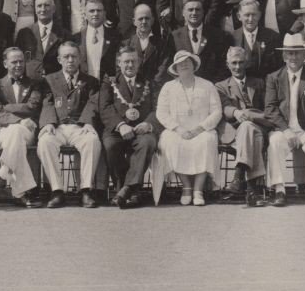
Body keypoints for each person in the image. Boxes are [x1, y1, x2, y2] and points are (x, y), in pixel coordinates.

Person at [263, 34, 305, 207]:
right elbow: (270, 108)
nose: (293, 57)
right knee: (274, 143)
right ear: (284, 56)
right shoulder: (274, 78)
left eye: (297, 53)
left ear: (304, 54)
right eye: (289, 53)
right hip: (285, 131)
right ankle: (279, 191)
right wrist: (285, 130)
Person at [37, 42, 102, 208]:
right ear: (59, 59)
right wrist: (48, 122)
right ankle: (57, 191)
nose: (70, 60)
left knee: (92, 141)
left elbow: (93, 103)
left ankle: (86, 190)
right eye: (66, 57)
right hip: (57, 126)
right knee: (45, 142)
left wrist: (88, 122)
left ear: (80, 58)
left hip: (79, 127)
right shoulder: (49, 80)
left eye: (74, 56)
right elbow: (47, 102)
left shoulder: (91, 81)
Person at [156, 50, 221, 207]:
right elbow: (161, 112)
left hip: (202, 130)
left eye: (188, 61)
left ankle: (198, 189)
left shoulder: (207, 85)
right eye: (180, 63)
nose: (184, 64)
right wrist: (178, 129)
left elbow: (217, 111)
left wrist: (199, 129)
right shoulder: (168, 87)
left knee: (208, 140)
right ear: (175, 68)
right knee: (169, 141)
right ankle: (186, 187)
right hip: (178, 131)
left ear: (194, 65)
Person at [99, 44, 160, 208]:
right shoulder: (109, 81)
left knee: (148, 142)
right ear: (119, 63)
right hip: (117, 130)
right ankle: (132, 191)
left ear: (139, 62)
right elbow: (104, 107)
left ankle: (125, 190)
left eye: (133, 61)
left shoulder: (148, 81)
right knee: (110, 145)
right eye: (126, 62)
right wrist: (120, 125)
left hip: (142, 130)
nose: (130, 65)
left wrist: (148, 123)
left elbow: (157, 108)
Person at [0, 47, 46, 208]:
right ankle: (21, 192)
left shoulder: (34, 84)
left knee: (17, 133)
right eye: (14, 62)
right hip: (6, 129)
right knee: (15, 133)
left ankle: (4, 174)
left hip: (29, 130)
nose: (18, 65)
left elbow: (33, 107)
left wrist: (7, 107)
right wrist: (19, 120)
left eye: (21, 61)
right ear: (5, 64)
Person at [217, 46, 274, 206]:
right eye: (233, 63)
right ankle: (252, 190)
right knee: (248, 130)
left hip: (260, 129)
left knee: (248, 126)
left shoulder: (259, 83)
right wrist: (235, 112)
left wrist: (248, 114)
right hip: (234, 133)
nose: (237, 67)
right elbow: (224, 107)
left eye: (241, 62)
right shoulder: (221, 86)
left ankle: (239, 174)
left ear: (247, 63)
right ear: (227, 64)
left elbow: (269, 110)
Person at [165, 0, 229, 82]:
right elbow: (169, 65)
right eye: (190, 10)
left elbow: (223, 65)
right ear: (183, 13)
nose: (194, 13)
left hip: (211, 88)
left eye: (198, 10)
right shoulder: (174, 37)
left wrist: (213, 86)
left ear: (203, 12)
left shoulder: (217, 35)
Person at [15, 0, 69, 80]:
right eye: (39, 6)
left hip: (55, 83)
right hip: (30, 83)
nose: (43, 9)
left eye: (46, 5)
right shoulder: (24, 33)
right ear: (35, 9)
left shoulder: (64, 34)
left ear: (54, 8)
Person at [230, 0, 280, 79]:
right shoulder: (231, 38)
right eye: (247, 15)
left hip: (266, 86)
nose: (250, 19)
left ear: (259, 15)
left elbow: (278, 68)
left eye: (254, 14)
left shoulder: (273, 37)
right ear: (239, 16)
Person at [74, 0, 119, 80]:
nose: (95, 14)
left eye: (99, 10)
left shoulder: (115, 36)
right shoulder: (76, 39)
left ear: (104, 13)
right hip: (84, 86)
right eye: (91, 11)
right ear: (85, 14)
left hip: (107, 87)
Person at [123, 4, 166, 82]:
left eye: (147, 18)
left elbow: (162, 69)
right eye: (140, 19)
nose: (144, 22)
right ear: (134, 21)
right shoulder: (126, 44)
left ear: (152, 20)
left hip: (155, 88)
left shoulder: (162, 44)